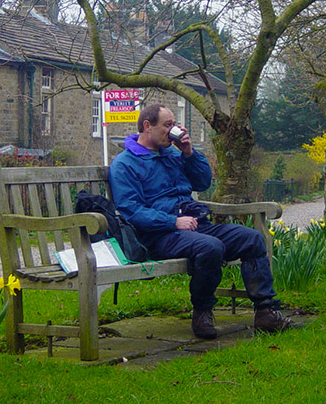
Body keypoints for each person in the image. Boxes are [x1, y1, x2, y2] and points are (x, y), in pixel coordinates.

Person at [108, 103, 294, 339]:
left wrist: (189, 153)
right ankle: (203, 311)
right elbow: (131, 210)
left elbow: (203, 182)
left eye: (174, 124)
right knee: (210, 246)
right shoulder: (125, 163)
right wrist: (173, 222)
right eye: (168, 125)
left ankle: (266, 312)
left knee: (252, 239)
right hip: (157, 235)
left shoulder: (173, 154)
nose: (173, 129)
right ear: (147, 126)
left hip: (195, 225)